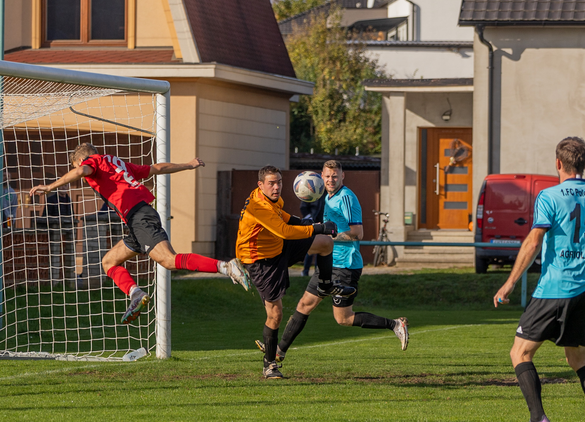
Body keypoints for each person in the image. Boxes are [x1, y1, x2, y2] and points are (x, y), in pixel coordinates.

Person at [29, 143, 252, 324]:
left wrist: (49, 187)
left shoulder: (91, 162)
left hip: (139, 216)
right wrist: (188, 164)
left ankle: (227, 266)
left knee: (169, 261)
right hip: (137, 219)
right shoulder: (118, 164)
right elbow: (156, 168)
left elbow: (80, 171)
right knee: (109, 261)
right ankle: (135, 294)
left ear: (81, 159)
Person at [493, 137, 585, 422]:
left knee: (520, 352)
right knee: (578, 358)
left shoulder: (549, 196)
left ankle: (537, 419)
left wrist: (510, 281)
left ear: (558, 163)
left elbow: (533, 240)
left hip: (556, 287)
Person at [256, 160, 408, 364]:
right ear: (321, 176)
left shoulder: (346, 197)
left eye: (335, 176)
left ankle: (395, 324)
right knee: (304, 304)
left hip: (345, 264)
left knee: (343, 318)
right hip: (330, 262)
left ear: (342, 176)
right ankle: (279, 351)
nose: (330, 179)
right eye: (327, 176)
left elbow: (357, 232)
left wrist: (328, 236)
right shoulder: (326, 197)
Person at [235, 165, 356, 379]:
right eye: (271, 183)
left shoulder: (272, 200)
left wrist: (309, 224)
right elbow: (284, 231)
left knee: (325, 243)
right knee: (275, 314)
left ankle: (325, 285)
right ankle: (269, 365)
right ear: (260, 185)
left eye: (279, 182)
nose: (276, 187)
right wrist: (318, 227)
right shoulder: (257, 205)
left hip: (277, 247)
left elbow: (284, 217)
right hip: (260, 261)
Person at [299, 189, 325, 276]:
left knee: (321, 248)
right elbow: (303, 207)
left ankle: (318, 271)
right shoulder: (310, 192)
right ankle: (305, 271)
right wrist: (310, 219)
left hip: (323, 225)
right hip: (312, 225)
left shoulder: (327, 193)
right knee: (310, 247)